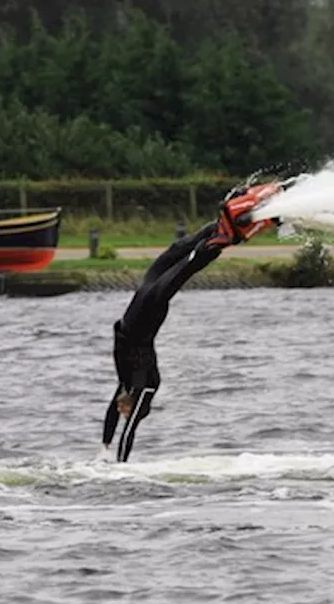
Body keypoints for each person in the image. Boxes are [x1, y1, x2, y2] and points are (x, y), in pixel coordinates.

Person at [102, 182, 285, 462]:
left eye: (122, 408)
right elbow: (128, 432)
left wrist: (102, 448)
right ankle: (226, 237)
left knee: (176, 250)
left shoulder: (125, 385)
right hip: (148, 312)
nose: (120, 409)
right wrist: (119, 466)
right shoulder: (144, 386)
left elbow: (113, 416)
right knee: (187, 267)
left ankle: (220, 224)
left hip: (140, 304)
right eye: (125, 409)